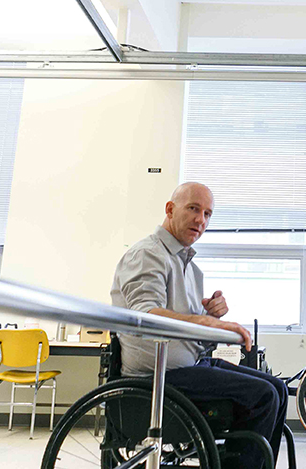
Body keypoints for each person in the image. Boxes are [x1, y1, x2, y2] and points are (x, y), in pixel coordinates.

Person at [111, 181, 289, 469]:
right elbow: (145, 314)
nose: (201, 220)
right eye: (193, 209)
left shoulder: (190, 268)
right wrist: (203, 320)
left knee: (278, 388)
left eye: (207, 214)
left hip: (190, 366)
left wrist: (211, 315)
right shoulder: (147, 254)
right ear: (170, 209)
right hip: (157, 377)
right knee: (263, 396)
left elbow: (192, 334)